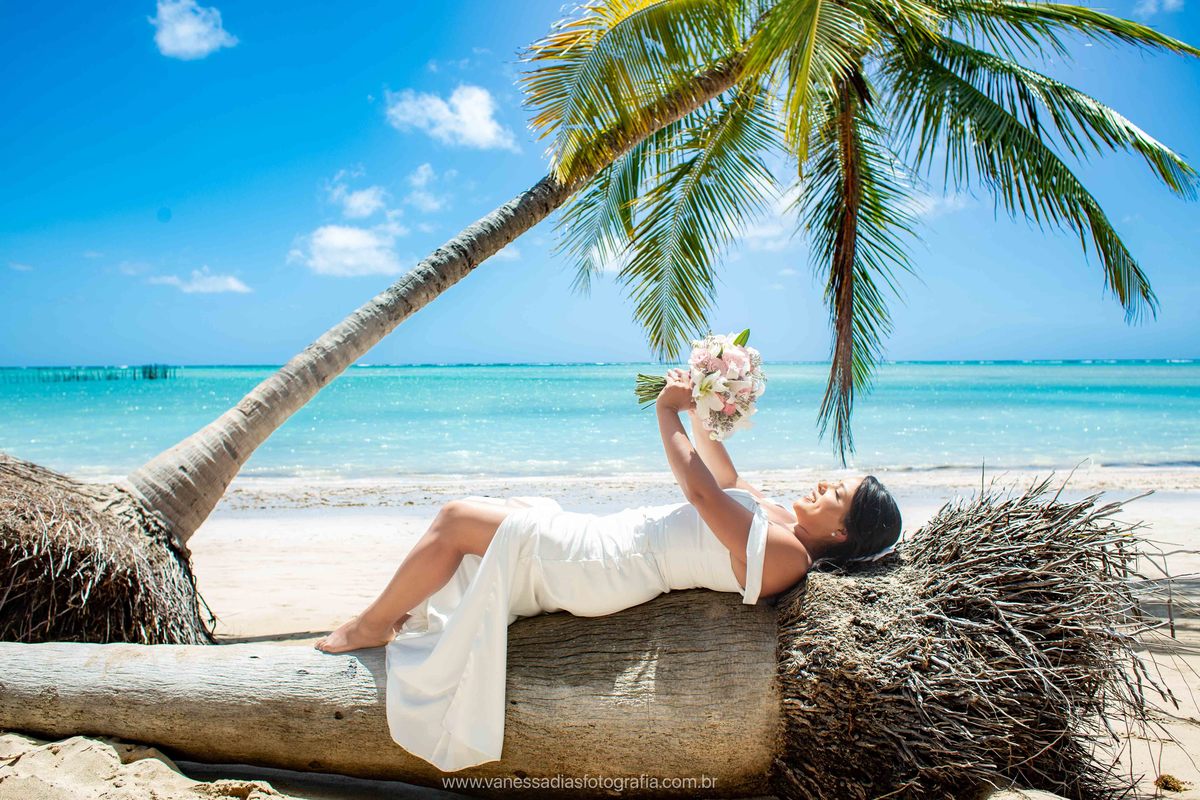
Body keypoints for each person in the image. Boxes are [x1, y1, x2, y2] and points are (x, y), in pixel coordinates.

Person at [314, 368, 902, 771]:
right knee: (473, 524)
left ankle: (371, 626)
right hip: (607, 540)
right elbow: (720, 473)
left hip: (606, 565)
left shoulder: (787, 558)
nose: (826, 481)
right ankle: (386, 617)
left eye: (837, 493)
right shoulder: (774, 516)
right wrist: (708, 402)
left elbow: (700, 494)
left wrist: (665, 412)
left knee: (455, 520)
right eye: (835, 477)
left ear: (841, 532)